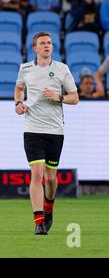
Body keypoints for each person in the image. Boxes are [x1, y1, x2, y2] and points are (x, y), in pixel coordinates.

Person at [14, 32, 79, 235]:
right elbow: (18, 88)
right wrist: (18, 103)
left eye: (49, 43)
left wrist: (58, 97)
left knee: (51, 178)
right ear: (35, 48)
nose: (47, 46)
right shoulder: (25, 68)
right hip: (32, 128)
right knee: (37, 173)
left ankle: (49, 207)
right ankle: (39, 220)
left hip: (54, 130)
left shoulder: (61, 69)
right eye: (42, 43)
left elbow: (75, 98)